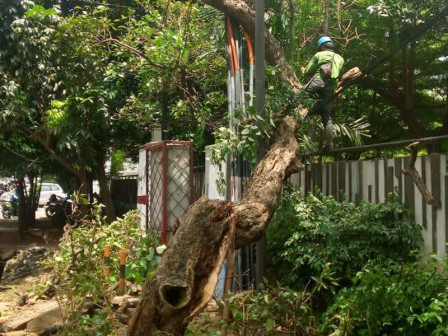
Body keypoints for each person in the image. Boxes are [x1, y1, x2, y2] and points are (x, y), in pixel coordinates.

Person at [302, 36, 344, 151]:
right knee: (327, 117)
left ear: (322, 46)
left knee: (299, 96)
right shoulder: (340, 58)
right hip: (331, 88)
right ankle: (330, 143)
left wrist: (304, 70)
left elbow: (308, 71)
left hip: (318, 81)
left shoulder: (319, 55)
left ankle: (291, 115)